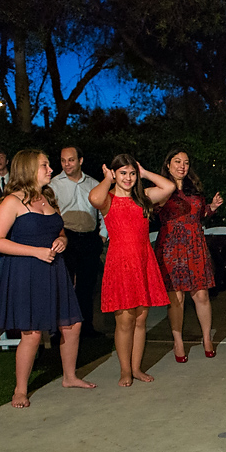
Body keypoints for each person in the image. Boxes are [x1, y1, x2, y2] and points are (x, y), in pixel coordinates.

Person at [0, 150, 96, 408]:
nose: (50, 169)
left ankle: (69, 376)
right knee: (31, 333)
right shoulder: (12, 202)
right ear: (28, 169)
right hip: (25, 270)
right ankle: (20, 390)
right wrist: (35, 251)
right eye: (44, 165)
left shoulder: (48, 198)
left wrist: (62, 240)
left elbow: (60, 230)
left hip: (54, 268)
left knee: (72, 324)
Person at [89, 154, 176, 387]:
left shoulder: (143, 197)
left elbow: (169, 186)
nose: (128, 178)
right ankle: (125, 370)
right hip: (120, 263)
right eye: (123, 173)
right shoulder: (108, 199)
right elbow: (94, 198)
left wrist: (145, 173)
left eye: (131, 173)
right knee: (125, 320)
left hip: (143, 261)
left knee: (141, 318)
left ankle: (137, 368)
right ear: (115, 174)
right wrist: (107, 179)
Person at [154, 148, 224, 363]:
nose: (182, 166)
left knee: (201, 294)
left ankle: (206, 338)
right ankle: (178, 341)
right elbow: (153, 210)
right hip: (171, 246)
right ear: (168, 165)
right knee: (177, 297)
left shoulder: (194, 189)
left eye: (185, 162)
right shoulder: (161, 189)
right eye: (177, 161)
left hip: (195, 244)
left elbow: (199, 213)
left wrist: (211, 207)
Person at [49, 146, 106, 337]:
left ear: (80, 161)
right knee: (64, 284)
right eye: (63, 160)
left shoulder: (93, 183)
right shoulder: (54, 185)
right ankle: (62, 328)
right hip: (67, 237)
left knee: (87, 285)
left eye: (71, 160)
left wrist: (103, 234)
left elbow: (103, 210)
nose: (66, 164)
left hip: (89, 237)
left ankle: (86, 326)